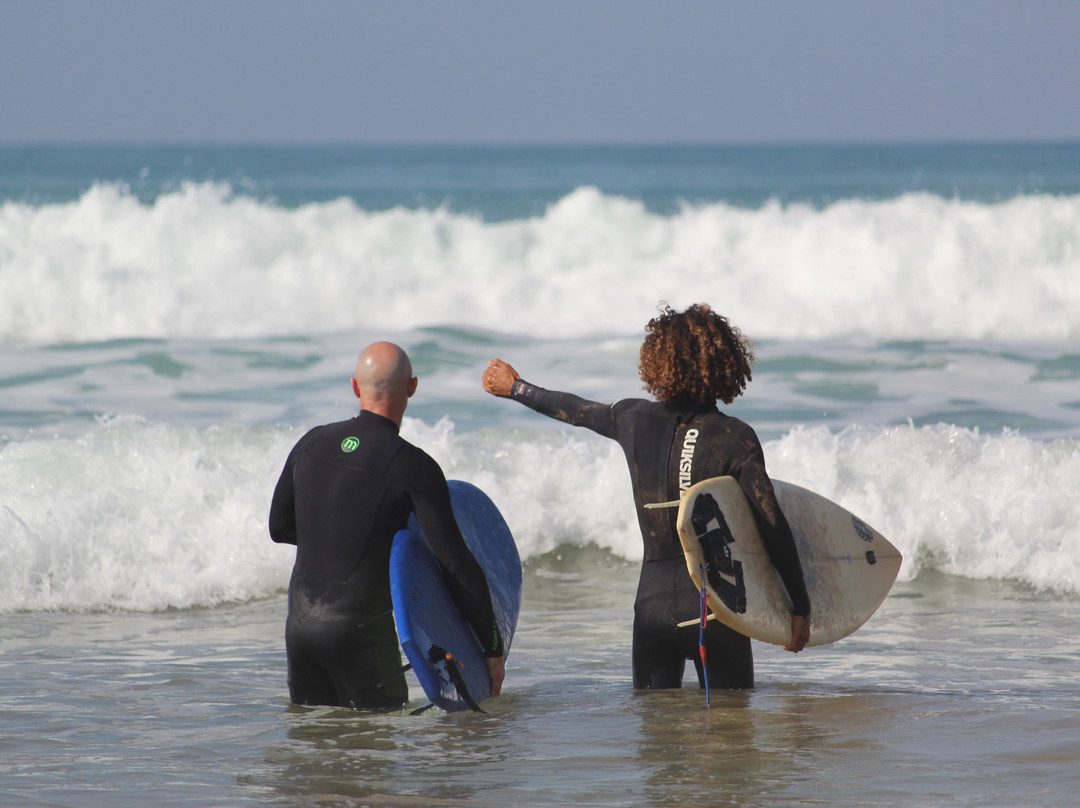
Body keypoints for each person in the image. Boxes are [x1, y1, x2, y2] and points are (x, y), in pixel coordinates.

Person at [482, 304, 810, 691]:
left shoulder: (632, 419)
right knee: (731, 743)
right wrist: (799, 606)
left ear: (658, 362)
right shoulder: (735, 438)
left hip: (652, 611)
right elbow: (771, 524)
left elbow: (574, 409)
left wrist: (517, 387)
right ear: (724, 362)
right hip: (717, 613)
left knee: (657, 744)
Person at [269, 341, 505, 709]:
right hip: (360, 636)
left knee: (313, 752)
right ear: (411, 388)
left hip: (300, 630)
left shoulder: (310, 442)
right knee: (374, 754)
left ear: (354, 386)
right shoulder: (414, 467)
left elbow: (279, 527)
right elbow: (455, 564)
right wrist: (492, 647)